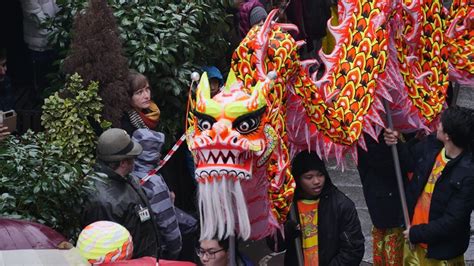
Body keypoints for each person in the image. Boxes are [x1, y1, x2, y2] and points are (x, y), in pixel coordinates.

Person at [384, 106, 474, 264]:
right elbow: (410, 162)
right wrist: (396, 142)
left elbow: (452, 221)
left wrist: (416, 233)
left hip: (439, 253)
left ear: (448, 136)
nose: (437, 125)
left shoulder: (468, 174)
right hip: (415, 244)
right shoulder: (433, 144)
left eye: (441, 124)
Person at [268, 150, 364, 265]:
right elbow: (275, 246)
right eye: (309, 177)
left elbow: (353, 249)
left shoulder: (341, 205)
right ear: (298, 178)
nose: (317, 181)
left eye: (320, 175)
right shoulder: (287, 205)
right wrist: (285, 231)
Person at [81, 128, 160, 259]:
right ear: (123, 163)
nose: (135, 161)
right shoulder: (102, 201)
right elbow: (106, 251)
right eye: (133, 158)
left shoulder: (128, 179)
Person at [131, 129, 184, 259]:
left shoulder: (126, 173)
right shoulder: (154, 184)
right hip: (156, 252)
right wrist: (175, 251)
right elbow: (168, 224)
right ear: (155, 154)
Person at [357, 133, 405, 265]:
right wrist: (398, 145)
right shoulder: (369, 135)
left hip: (387, 200)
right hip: (386, 202)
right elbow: (385, 162)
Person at [19, 0, 59, 91]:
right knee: (41, 75)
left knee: (54, 74)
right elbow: (33, 13)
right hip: (40, 40)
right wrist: (52, 32)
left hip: (55, 35)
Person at [121, 70, 160, 135]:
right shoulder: (124, 121)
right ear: (128, 96)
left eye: (147, 89)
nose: (147, 96)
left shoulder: (152, 110)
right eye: (139, 92)